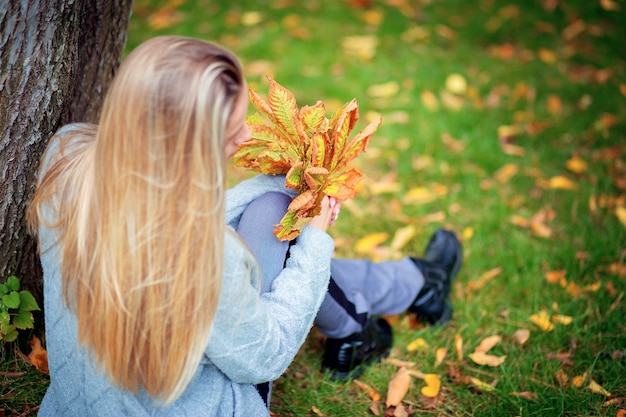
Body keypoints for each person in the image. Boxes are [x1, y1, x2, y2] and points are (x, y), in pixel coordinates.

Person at [27, 35, 462, 416]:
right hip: (192, 405)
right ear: (190, 144)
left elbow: (166, 214)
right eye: (231, 131)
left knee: (273, 204)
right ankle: (395, 299)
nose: (242, 139)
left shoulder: (68, 158)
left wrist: (274, 187)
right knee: (285, 230)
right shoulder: (203, 256)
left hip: (86, 401)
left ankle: (414, 284)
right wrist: (315, 240)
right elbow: (264, 355)